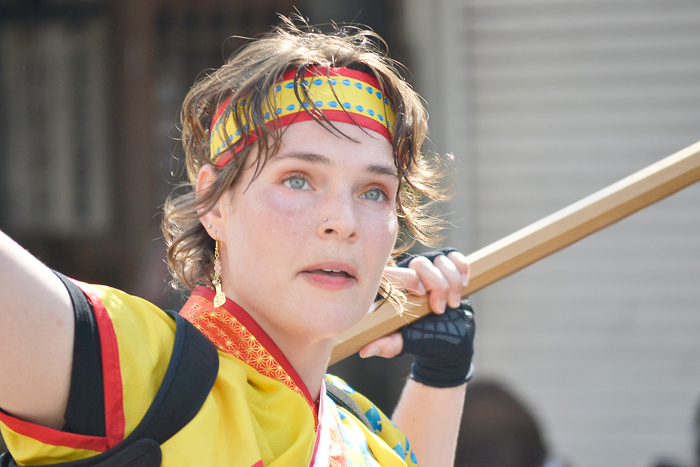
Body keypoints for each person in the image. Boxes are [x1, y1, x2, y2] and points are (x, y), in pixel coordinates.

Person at [0, 18, 474, 467]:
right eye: (298, 180)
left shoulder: (359, 431)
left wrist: (442, 374)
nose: (343, 221)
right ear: (214, 201)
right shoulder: (145, 370)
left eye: (374, 192)